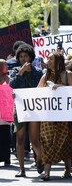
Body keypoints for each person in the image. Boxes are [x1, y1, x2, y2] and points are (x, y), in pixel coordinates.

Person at [37, 51, 72, 181]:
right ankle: (47, 172)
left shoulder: (68, 75)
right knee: (47, 141)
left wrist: (62, 88)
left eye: (51, 59)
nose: (48, 61)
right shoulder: (45, 76)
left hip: (64, 115)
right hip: (48, 115)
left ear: (58, 61)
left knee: (65, 140)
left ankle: (68, 169)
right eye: (48, 59)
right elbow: (36, 92)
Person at [9, 43, 43, 177]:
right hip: (20, 109)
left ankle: (40, 158)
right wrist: (21, 72)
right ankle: (22, 169)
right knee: (20, 138)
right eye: (21, 56)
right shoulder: (16, 71)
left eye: (26, 56)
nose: (23, 59)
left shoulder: (38, 72)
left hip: (34, 109)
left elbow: (39, 89)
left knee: (34, 139)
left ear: (31, 57)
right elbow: (12, 85)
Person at [0, 59, 11, 166]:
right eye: (5, 65)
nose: (7, 67)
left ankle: (6, 158)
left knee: (6, 135)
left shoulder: (7, 78)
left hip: (5, 110)